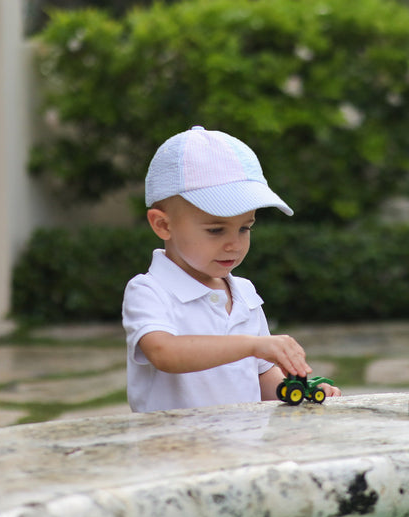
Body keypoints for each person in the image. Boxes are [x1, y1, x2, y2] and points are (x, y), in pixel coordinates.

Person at [122, 125, 341, 412]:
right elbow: (165, 353)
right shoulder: (149, 290)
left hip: (241, 450)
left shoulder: (245, 293)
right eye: (216, 230)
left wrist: (296, 392)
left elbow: (261, 375)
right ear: (163, 225)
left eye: (245, 228)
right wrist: (252, 345)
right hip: (173, 450)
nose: (234, 244)